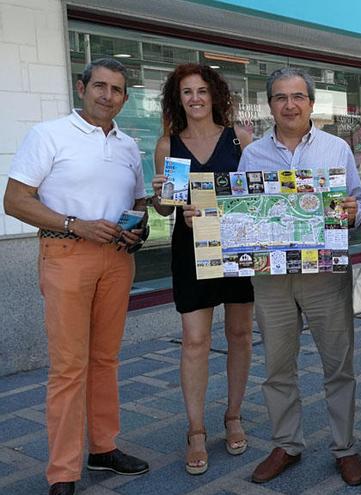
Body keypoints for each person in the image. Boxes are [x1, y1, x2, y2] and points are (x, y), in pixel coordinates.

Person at [3, 58, 150, 495]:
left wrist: (138, 232)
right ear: (82, 88)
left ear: (125, 98)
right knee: (69, 367)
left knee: (106, 359)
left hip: (117, 260)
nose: (108, 96)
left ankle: (103, 447)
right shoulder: (48, 134)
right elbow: (15, 201)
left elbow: (139, 202)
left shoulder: (127, 145)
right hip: (66, 253)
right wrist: (74, 223)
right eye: (100, 86)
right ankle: (63, 472)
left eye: (117, 90)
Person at [235, 67, 361, 486]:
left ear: (311, 103)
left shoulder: (336, 149)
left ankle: (345, 447)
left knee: (339, 364)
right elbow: (237, 211)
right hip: (271, 277)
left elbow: (360, 200)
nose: (289, 105)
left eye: (297, 97)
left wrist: (354, 212)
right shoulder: (253, 154)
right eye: (280, 97)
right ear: (270, 105)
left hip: (324, 272)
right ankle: (287, 444)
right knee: (277, 365)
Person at [149, 64, 254, 475]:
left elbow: (253, 196)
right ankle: (195, 429)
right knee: (195, 341)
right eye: (186, 92)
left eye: (201, 91)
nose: (194, 98)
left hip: (236, 246)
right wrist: (162, 199)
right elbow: (165, 209)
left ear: (215, 96)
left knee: (240, 334)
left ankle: (233, 415)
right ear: (179, 99)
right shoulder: (168, 146)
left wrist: (224, 209)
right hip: (190, 250)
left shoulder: (240, 139)